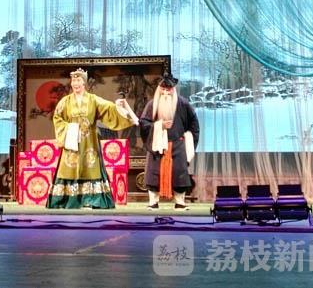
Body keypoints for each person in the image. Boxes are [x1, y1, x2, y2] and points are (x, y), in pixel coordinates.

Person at [47, 68, 139, 209]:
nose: (76, 84)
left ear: (84, 83)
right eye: (73, 81)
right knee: (70, 167)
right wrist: (71, 129)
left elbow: (109, 109)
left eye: (78, 80)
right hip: (72, 141)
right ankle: (66, 200)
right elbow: (57, 118)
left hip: (89, 142)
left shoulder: (93, 100)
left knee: (91, 166)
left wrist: (119, 107)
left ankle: (92, 200)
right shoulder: (65, 101)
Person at [139, 72, 199, 210]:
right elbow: (144, 124)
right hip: (158, 145)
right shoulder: (152, 105)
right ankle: (153, 201)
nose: (166, 92)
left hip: (177, 144)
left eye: (169, 89)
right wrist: (159, 125)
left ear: (173, 89)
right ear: (159, 89)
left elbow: (194, 124)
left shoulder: (183, 104)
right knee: (154, 173)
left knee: (179, 173)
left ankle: (180, 201)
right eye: (163, 89)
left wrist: (188, 138)